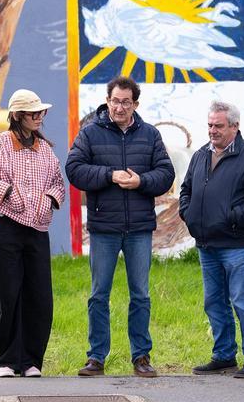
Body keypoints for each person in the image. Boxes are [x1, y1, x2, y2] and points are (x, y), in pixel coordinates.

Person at [66, 76, 175, 378]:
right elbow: (74, 169)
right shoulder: (90, 134)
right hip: (104, 227)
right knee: (99, 294)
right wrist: (109, 175)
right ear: (108, 100)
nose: (120, 107)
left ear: (135, 104)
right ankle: (96, 357)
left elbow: (166, 174)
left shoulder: (150, 135)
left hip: (139, 228)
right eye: (115, 101)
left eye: (126, 102)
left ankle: (141, 356)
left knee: (140, 294)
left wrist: (141, 181)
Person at [0, 89, 67, 378]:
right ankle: (3, 361)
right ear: (17, 116)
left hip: (37, 230)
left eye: (41, 112)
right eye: (33, 113)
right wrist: (10, 193)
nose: (39, 117)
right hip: (3, 227)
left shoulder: (46, 150)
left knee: (38, 296)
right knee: (4, 294)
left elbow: (58, 183)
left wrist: (50, 199)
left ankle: (31, 360)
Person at [179, 101, 244, 379]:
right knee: (214, 303)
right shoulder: (200, 155)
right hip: (206, 244)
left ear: (234, 126)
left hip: (236, 244)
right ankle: (223, 356)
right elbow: (186, 189)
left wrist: (231, 217)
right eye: (210, 125)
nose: (212, 131)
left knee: (243, 302)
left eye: (218, 126)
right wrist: (187, 212)